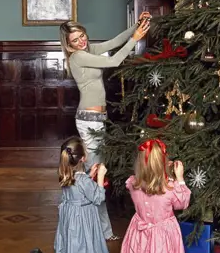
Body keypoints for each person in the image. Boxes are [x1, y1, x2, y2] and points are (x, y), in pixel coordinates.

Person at [59, 13, 151, 240]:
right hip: (89, 121)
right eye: (75, 40)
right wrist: (136, 39)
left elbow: (112, 43)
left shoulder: (88, 50)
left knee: (98, 174)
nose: (81, 41)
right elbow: (113, 61)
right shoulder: (78, 58)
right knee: (96, 175)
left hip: (97, 120)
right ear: (69, 46)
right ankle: (99, 230)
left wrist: (135, 27)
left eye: (82, 36)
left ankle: (99, 229)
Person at [109, 139, 191, 253]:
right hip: (162, 237)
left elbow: (146, 182)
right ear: (164, 163)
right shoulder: (170, 189)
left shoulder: (133, 183)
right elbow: (183, 203)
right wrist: (179, 178)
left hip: (139, 233)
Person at [15, 136, 111, 253]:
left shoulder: (67, 174)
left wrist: (89, 176)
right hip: (81, 220)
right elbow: (98, 198)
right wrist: (100, 177)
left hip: (70, 218)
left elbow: (79, 189)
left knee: (70, 250)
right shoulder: (83, 181)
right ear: (83, 158)